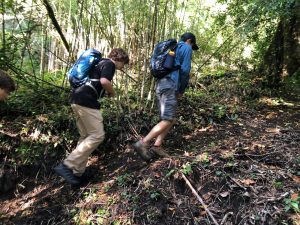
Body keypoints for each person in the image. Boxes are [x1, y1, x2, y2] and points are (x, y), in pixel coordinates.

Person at [54, 48, 129, 185]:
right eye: (123, 64)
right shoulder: (109, 64)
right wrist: (113, 94)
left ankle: (77, 174)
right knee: (97, 135)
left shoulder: (98, 63)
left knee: (85, 136)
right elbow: (104, 81)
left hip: (76, 99)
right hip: (86, 100)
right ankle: (67, 165)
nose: (122, 67)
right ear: (119, 59)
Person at [133, 32, 199, 162]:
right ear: (189, 41)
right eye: (192, 45)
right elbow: (185, 71)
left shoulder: (172, 48)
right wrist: (181, 89)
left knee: (170, 118)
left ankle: (157, 146)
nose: (192, 48)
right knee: (168, 119)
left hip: (161, 85)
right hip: (171, 84)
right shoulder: (185, 48)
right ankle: (143, 143)